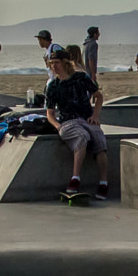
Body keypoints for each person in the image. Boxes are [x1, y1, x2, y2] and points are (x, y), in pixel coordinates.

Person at [43, 47, 109, 200]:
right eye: (52, 63)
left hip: (86, 118)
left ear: (66, 63)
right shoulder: (53, 86)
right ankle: (75, 178)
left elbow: (98, 96)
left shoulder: (81, 78)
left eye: (57, 63)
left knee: (99, 140)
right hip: (68, 121)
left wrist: (95, 115)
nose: (54, 66)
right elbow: (50, 114)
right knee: (82, 136)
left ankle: (103, 182)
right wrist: (57, 126)